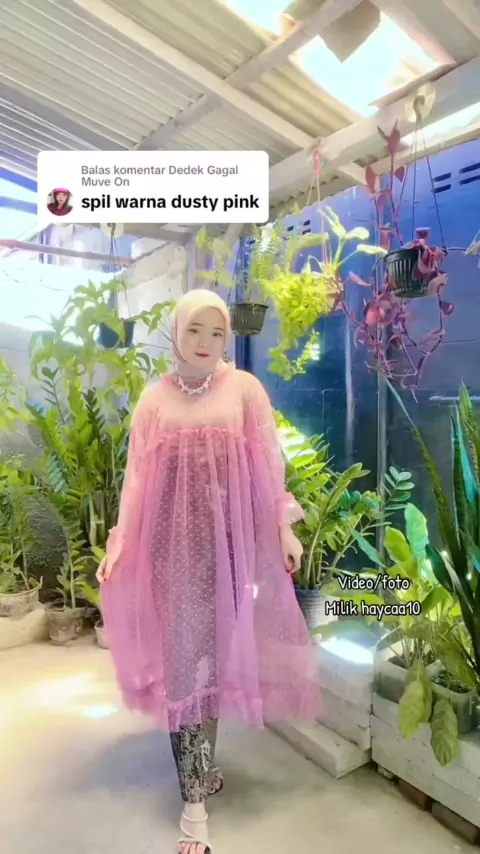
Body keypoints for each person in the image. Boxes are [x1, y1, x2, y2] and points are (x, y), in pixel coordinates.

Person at [97, 289, 319, 854]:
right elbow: (136, 478)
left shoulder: (243, 389)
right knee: (184, 669)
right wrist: (120, 541)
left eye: (216, 333)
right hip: (168, 556)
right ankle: (193, 808)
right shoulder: (154, 400)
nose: (205, 343)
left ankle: (202, 767)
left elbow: (269, 462)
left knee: (211, 664)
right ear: (176, 332)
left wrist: (284, 528)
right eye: (194, 330)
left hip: (229, 553)